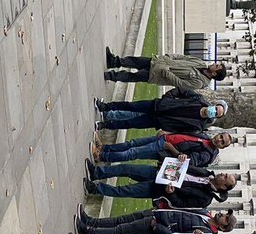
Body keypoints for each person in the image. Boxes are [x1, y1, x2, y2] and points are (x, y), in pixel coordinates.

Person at [85, 165, 237, 206]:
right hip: (160, 173)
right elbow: (186, 167)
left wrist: (171, 193)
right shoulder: (206, 173)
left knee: (124, 190)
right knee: (127, 169)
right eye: (224, 173)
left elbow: (182, 203)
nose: (222, 174)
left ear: (223, 187)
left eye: (225, 177)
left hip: (158, 189)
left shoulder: (205, 199)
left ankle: (95, 188)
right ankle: (98, 172)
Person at [96, 91, 228, 135]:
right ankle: (105, 107)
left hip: (160, 121)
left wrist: (167, 132)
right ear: (214, 104)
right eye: (216, 108)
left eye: (216, 113)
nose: (214, 111)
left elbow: (180, 132)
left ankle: (105, 125)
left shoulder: (199, 126)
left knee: (130, 123)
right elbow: (180, 90)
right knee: (131, 106)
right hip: (158, 106)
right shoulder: (198, 99)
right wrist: (167, 97)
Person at [75, 205, 237, 234]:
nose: (222, 214)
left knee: (121, 229)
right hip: (158, 213)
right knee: (121, 219)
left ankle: (88, 231)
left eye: (225, 218)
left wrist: (157, 227)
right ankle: (90, 221)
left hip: (156, 225)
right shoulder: (206, 213)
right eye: (225, 213)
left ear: (223, 227)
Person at [104, 47, 227, 92]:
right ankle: (114, 61)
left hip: (159, 74)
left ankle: (111, 76)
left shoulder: (200, 82)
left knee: (134, 76)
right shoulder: (201, 63)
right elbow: (184, 57)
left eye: (217, 66)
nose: (214, 64)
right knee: (135, 61)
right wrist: (169, 56)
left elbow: (180, 83)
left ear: (215, 73)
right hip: (160, 61)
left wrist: (167, 73)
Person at [92, 129, 233, 165]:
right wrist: (168, 133)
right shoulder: (206, 138)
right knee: (132, 143)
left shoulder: (207, 154)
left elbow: (187, 160)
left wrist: (171, 148)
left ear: (222, 147)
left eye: (222, 142)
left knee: (132, 152)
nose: (219, 139)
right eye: (221, 136)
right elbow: (185, 135)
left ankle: (101, 156)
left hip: (164, 147)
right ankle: (104, 148)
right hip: (164, 138)